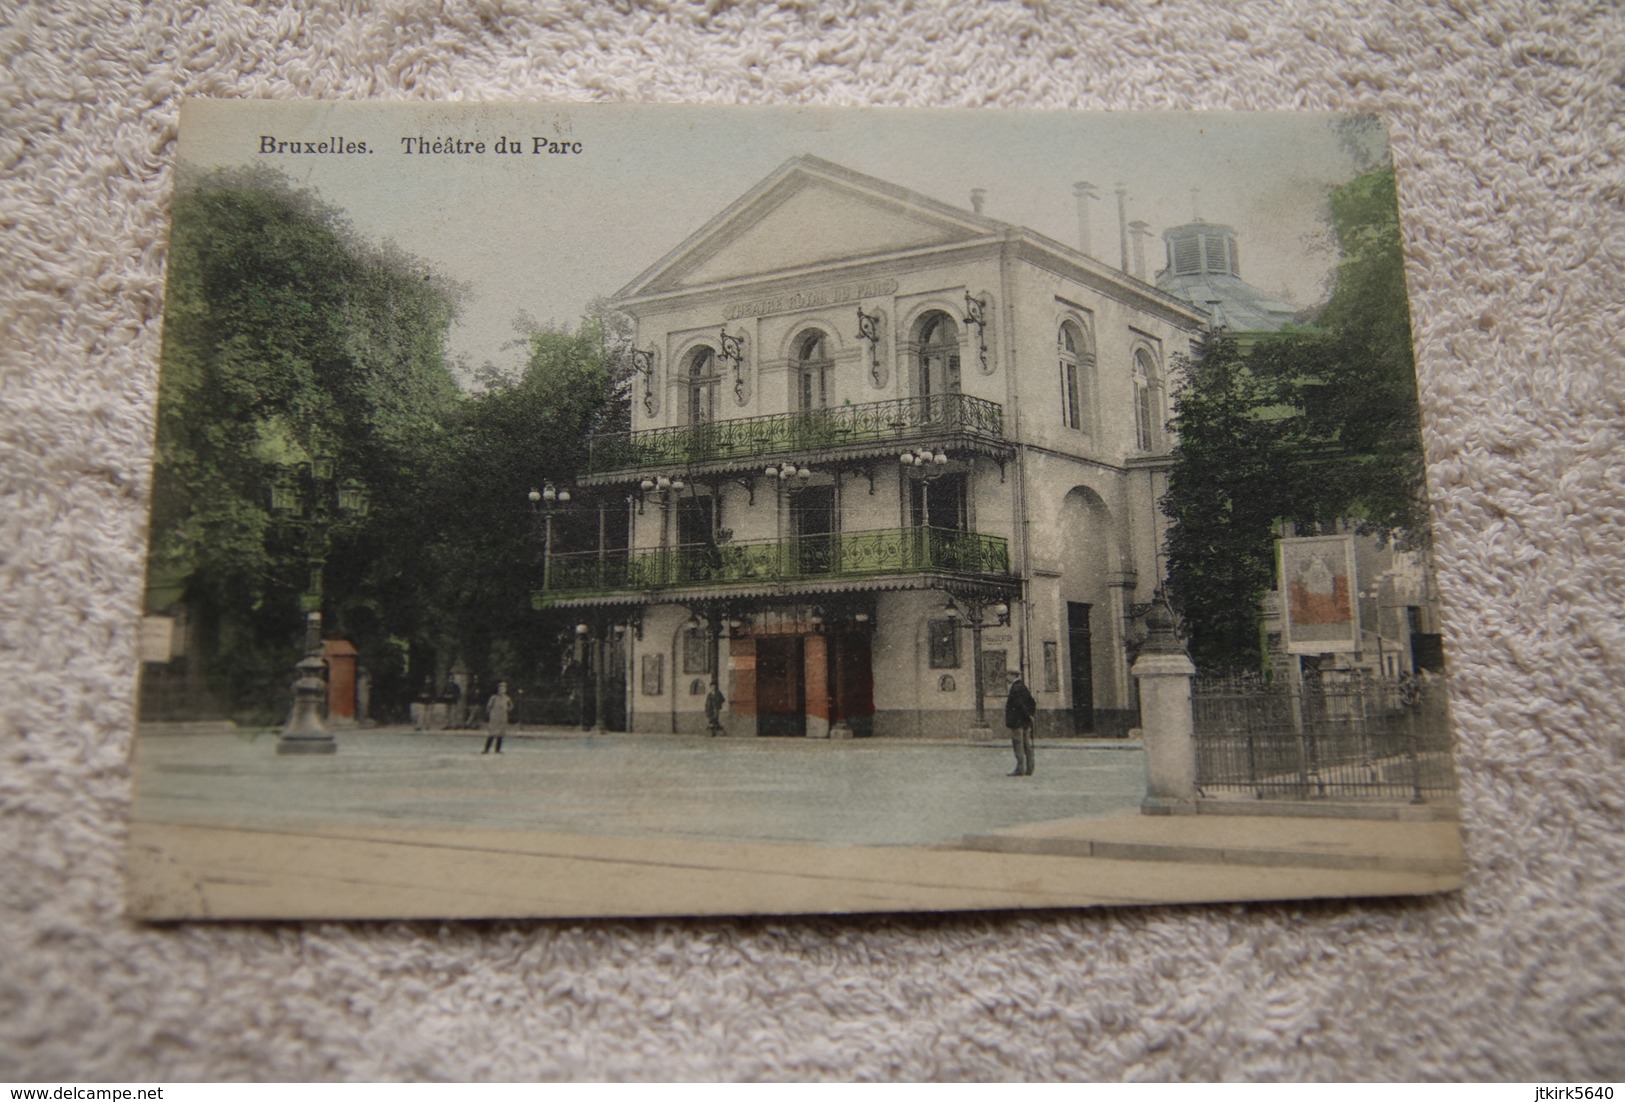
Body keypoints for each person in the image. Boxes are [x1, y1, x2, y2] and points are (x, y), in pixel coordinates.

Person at [1004, 669, 1037, 776]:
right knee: (1026, 744)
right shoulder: (1023, 686)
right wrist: (1030, 715)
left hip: (1017, 722)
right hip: (1025, 722)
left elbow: (1019, 704)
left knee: (1018, 744)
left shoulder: (1015, 688)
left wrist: (1027, 715)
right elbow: (1032, 701)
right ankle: (1030, 768)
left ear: (1012, 675)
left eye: (1007, 675)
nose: (1006, 678)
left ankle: (1020, 769)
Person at [482, 681, 514, 754]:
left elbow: (511, 706)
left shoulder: (507, 698)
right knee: (492, 733)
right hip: (494, 717)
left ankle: (498, 749)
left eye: (503, 689)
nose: (502, 690)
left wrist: (506, 710)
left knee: (500, 733)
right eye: (500, 688)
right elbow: (488, 706)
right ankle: (486, 749)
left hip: (502, 717)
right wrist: (491, 714)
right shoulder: (494, 697)